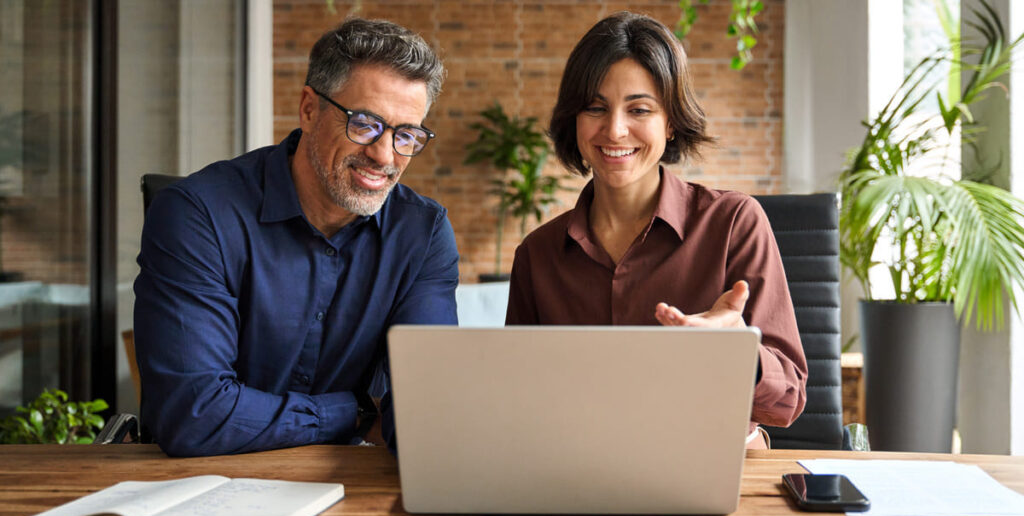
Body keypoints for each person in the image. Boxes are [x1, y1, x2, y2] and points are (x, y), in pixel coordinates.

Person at [134, 18, 457, 457]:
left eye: (406, 136)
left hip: (347, 482)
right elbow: (193, 415)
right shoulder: (198, 215)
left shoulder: (422, 233)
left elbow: (426, 410)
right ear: (308, 109)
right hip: (200, 482)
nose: (384, 155)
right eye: (364, 124)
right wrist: (355, 413)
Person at [505, 12, 806, 448]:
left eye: (639, 109)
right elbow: (518, 400)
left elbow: (788, 400)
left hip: (714, 463)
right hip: (580, 465)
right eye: (595, 108)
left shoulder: (734, 223)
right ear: (574, 119)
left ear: (671, 121)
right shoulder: (538, 255)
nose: (614, 130)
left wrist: (737, 351)